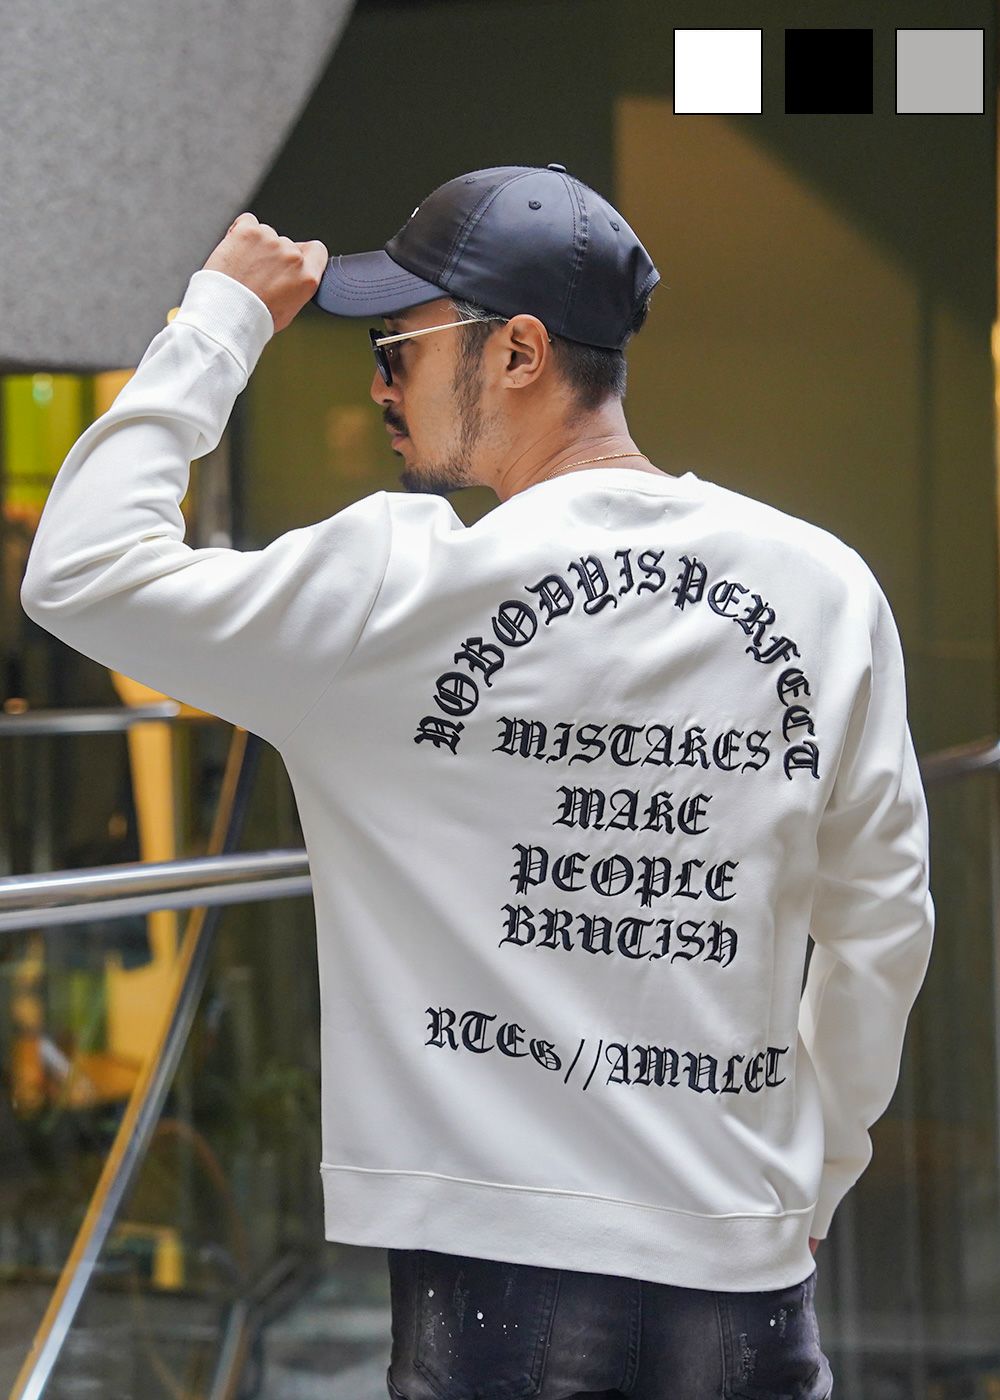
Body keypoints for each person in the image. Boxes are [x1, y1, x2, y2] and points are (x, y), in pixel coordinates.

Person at [19, 164, 934, 1399]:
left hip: (496, 1272)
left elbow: (79, 570)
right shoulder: (820, 586)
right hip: (742, 1254)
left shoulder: (391, 596)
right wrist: (814, 1175)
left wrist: (220, 321)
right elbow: (882, 927)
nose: (380, 382)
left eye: (399, 345)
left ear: (517, 352)